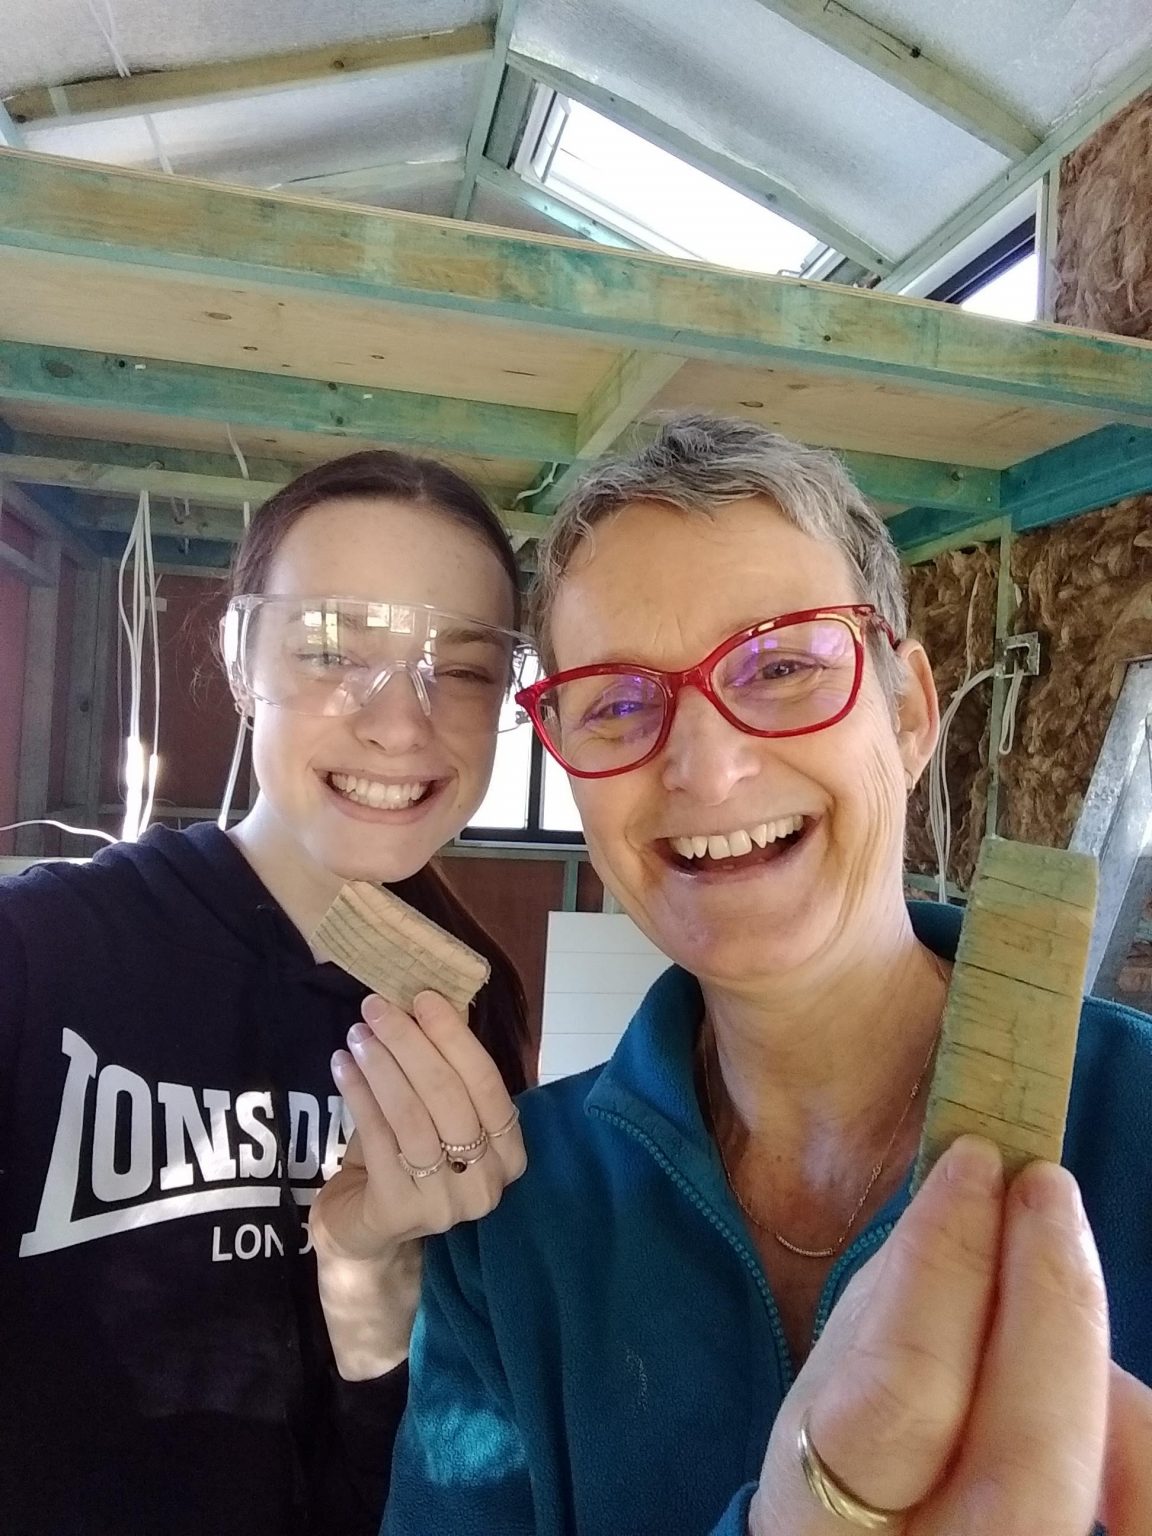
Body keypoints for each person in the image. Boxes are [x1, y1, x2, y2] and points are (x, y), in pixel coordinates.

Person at [383, 416, 1152, 1535]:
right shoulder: (513, 1224)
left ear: (910, 711)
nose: (707, 765)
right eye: (617, 701)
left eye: (783, 665)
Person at [0, 449, 535, 1535]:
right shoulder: (40, 951)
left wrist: (374, 1280)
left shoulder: (473, 1011)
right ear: (244, 658)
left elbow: (448, 1435)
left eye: (466, 668)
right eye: (335, 647)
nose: (401, 723)